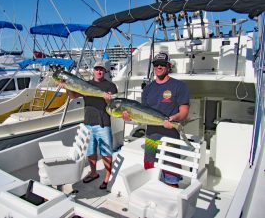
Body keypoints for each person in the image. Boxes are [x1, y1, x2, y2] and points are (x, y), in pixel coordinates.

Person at [122, 51, 190, 188]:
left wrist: (175, 119)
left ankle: (172, 202)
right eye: (156, 64)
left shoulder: (179, 86)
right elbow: (143, 115)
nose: (159, 67)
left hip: (170, 136)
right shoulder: (148, 89)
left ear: (168, 66)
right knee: (149, 169)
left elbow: (184, 111)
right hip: (151, 137)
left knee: (171, 176)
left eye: (162, 64)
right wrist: (129, 117)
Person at [60, 60, 118, 190]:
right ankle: (93, 172)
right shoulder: (87, 84)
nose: (99, 71)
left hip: (103, 123)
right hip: (88, 122)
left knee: (106, 152)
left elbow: (115, 104)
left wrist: (110, 99)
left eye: (101, 69)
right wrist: (67, 87)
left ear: (105, 71)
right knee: (90, 151)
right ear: (93, 70)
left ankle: (107, 176)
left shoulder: (110, 86)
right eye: (97, 69)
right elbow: (73, 96)